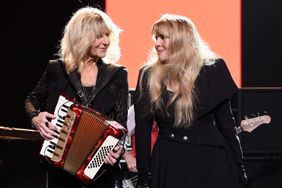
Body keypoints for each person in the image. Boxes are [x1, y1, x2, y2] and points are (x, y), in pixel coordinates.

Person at [134, 14, 248, 188]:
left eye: (163, 37)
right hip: (168, 163)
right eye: (155, 38)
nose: (157, 43)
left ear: (182, 39)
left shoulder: (213, 69)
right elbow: (142, 129)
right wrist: (144, 175)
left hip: (211, 163)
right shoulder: (147, 75)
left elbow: (227, 125)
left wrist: (239, 167)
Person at [24, 6, 128, 188]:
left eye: (107, 35)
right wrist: (36, 118)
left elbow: (121, 124)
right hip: (60, 168)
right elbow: (31, 99)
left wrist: (117, 149)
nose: (105, 41)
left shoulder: (117, 75)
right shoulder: (57, 70)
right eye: (99, 36)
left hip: (100, 171)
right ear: (82, 37)